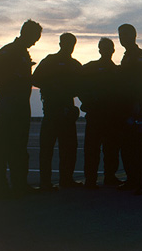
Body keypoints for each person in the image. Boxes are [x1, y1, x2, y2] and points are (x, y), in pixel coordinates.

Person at [0, 20, 43, 200]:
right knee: (3, 147)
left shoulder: (23, 53)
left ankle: (19, 184)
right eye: (34, 38)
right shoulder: (10, 50)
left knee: (19, 147)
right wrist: (3, 85)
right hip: (10, 104)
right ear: (26, 33)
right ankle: (2, 187)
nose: (35, 42)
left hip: (20, 105)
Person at [33, 32, 83, 190]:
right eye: (67, 43)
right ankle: (46, 183)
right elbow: (35, 79)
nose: (69, 47)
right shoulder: (50, 61)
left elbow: (83, 86)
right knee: (47, 148)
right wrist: (52, 86)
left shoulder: (75, 65)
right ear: (61, 44)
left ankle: (65, 180)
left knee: (69, 148)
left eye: (71, 44)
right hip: (52, 109)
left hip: (67, 109)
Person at [80, 38, 123, 188]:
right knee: (92, 149)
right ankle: (90, 180)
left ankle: (109, 176)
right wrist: (88, 102)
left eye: (109, 48)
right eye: (103, 48)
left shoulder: (118, 71)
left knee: (111, 149)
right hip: (95, 115)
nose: (106, 50)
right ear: (99, 50)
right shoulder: (90, 68)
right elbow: (79, 86)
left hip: (112, 116)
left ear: (113, 50)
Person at [117, 24, 142, 196]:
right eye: (120, 35)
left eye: (124, 35)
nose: (122, 38)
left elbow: (141, 83)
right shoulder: (127, 57)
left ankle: (140, 182)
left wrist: (139, 105)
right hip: (125, 105)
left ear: (133, 35)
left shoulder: (140, 56)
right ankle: (131, 179)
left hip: (136, 106)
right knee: (126, 145)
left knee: (137, 146)